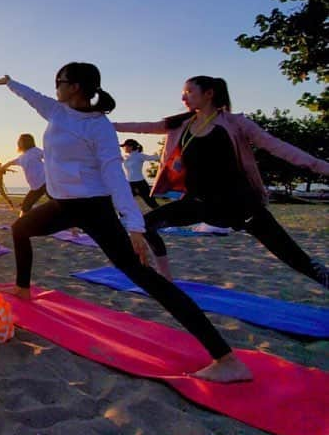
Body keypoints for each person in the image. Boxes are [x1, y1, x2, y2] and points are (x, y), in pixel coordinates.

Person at [0, 66, 252, 383]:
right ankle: (23, 290)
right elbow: (32, 97)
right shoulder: (57, 110)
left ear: (74, 87)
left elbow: (114, 176)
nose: (55, 88)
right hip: (61, 205)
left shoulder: (99, 127)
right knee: (21, 229)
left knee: (143, 276)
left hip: (94, 208)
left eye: (59, 83)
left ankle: (226, 359)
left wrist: (134, 227)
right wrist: (11, 83)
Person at [113, 75, 329, 287]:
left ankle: (320, 275)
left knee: (291, 255)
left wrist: (321, 167)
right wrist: (106, 124)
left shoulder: (235, 123)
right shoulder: (181, 124)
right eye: (182, 94)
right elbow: (143, 126)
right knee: (145, 225)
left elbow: (278, 147)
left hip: (239, 203)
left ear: (209, 94)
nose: (183, 98)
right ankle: (166, 278)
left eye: (189, 92)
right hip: (198, 203)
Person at [1, 134, 47, 218]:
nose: (18, 142)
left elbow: (49, 156)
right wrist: (0, 168)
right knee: (25, 207)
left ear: (25, 142)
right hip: (35, 187)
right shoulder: (21, 157)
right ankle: (21, 223)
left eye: (20, 140)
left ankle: (74, 226)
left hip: (46, 183)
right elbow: (10, 162)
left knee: (60, 205)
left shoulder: (35, 151)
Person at [119, 139, 161, 210]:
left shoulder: (139, 155)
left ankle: (163, 215)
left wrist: (166, 152)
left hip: (140, 183)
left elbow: (154, 157)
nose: (123, 148)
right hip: (129, 183)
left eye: (125, 146)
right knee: (124, 202)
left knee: (151, 202)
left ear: (131, 147)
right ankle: (123, 217)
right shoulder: (125, 157)